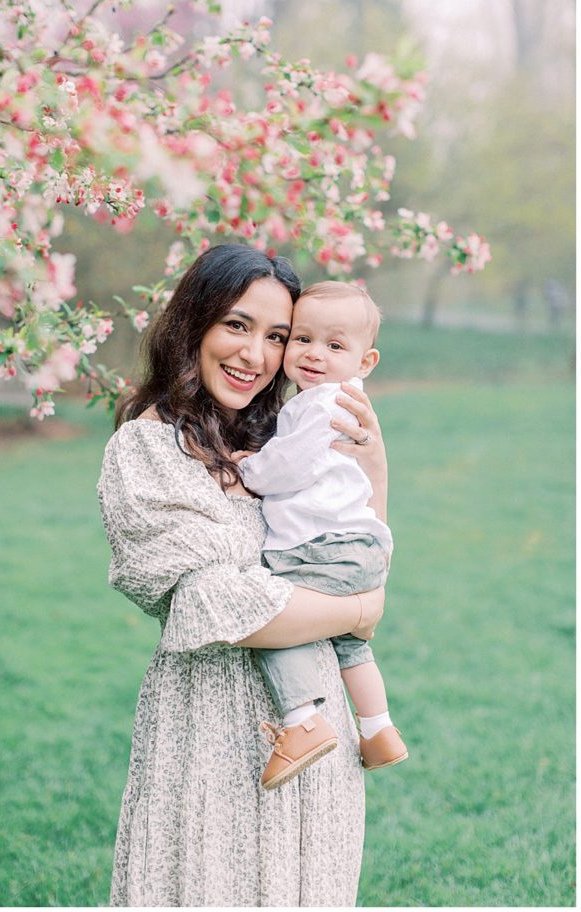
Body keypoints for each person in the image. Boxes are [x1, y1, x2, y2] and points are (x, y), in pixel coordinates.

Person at [97, 244, 388, 907]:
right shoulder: (145, 450)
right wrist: (357, 614)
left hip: (318, 733)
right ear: (192, 323)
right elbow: (215, 606)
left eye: (277, 336)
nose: (256, 355)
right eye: (236, 324)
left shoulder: (277, 438)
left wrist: (375, 462)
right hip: (212, 738)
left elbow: (360, 554)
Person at [237, 281, 407, 791]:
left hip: (318, 547)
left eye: (334, 346)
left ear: (365, 360)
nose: (314, 355)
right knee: (350, 644)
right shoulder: (343, 398)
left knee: (276, 620)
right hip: (357, 545)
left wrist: (251, 471)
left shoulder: (322, 402)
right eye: (302, 339)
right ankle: (378, 729)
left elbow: (289, 465)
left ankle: (301, 722)